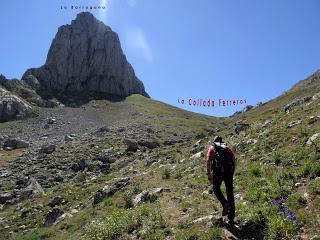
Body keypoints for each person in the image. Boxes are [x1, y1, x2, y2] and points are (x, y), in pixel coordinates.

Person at [206, 136, 236, 224]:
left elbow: (208, 161)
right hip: (229, 171)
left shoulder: (212, 148)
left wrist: (208, 174)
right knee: (230, 192)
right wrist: (233, 171)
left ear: (214, 142)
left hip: (218, 171)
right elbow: (234, 159)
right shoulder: (226, 148)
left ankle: (224, 203)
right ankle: (231, 217)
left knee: (216, 188)